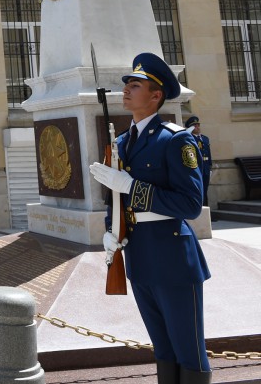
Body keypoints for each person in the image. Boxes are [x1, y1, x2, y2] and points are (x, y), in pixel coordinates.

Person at [90, 52, 211, 383]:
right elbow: (115, 200)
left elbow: (189, 204)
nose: (126, 90)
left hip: (173, 258)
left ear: (156, 95)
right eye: (126, 84)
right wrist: (110, 232)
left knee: (189, 350)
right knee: (163, 349)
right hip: (139, 257)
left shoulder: (176, 139)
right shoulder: (121, 143)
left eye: (135, 84)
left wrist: (133, 185)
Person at [184, 116, 213, 207]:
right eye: (194, 126)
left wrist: (210, 166)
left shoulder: (205, 138)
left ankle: (207, 212)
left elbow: (208, 153)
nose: (197, 127)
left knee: (205, 189)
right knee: (198, 190)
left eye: (198, 125)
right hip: (197, 167)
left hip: (206, 167)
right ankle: (199, 210)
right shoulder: (189, 139)